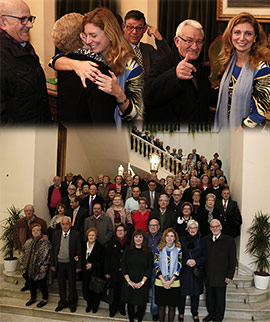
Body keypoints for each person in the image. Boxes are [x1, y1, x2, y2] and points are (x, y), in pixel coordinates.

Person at [52, 7, 144, 127]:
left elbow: (136, 116)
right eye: (86, 35)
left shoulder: (132, 67)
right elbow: (54, 61)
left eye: (93, 35)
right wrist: (77, 65)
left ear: (110, 34)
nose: (88, 41)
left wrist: (118, 93)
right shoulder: (91, 55)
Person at [144, 19, 217, 124]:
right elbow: (147, 95)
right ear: (177, 41)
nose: (194, 47)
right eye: (189, 41)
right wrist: (175, 74)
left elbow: (205, 96)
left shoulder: (198, 65)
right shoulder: (163, 62)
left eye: (199, 41)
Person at [214, 12, 270, 129]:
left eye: (248, 34)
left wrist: (241, 130)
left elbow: (260, 113)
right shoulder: (228, 63)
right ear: (230, 36)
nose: (242, 38)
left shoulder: (263, 70)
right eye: (237, 33)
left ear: (255, 38)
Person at [0, 0, 51, 124]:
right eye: (23, 19)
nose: (29, 25)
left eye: (29, 19)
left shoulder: (25, 48)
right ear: (2, 22)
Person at [203, 219, 237, 322]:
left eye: (216, 226)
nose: (215, 228)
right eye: (212, 227)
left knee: (219, 299)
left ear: (221, 227)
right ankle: (211, 314)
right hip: (208, 275)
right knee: (209, 298)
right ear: (210, 228)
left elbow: (232, 260)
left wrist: (229, 275)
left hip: (221, 276)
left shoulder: (229, 241)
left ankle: (218, 318)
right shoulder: (205, 240)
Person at [122, 10, 170, 76]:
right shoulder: (117, 50)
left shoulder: (148, 49)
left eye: (139, 28)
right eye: (130, 27)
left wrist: (158, 37)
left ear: (144, 29)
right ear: (124, 27)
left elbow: (167, 62)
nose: (134, 32)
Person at [121, 229, 153, 322]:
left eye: (140, 237)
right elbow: (123, 265)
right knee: (130, 303)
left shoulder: (148, 251)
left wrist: (142, 282)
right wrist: (129, 281)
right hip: (129, 281)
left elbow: (149, 268)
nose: (138, 239)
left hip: (142, 281)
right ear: (133, 238)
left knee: (141, 303)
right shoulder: (128, 250)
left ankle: (139, 320)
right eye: (136, 237)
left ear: (143, 238)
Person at [51, 216, 81, 313]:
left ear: (70, 224)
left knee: (72, 284)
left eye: (67, 224)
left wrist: (78, 265)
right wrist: (52, 264)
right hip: (59, 263)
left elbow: (79, 250)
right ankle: (62, 302)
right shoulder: (56, 234)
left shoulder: (76, 234)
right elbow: (53, 250)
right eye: (63, 224)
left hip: (71, 263)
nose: (65, 226)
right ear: (60, 225)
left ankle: (72, 303)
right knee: (61, 284)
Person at [178, 220, 207, 322]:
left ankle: (195, 313)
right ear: (187, 229)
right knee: (182, 293)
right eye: (191, 228)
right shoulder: (182, 239)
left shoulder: (202, 240)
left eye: (194, 228)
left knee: (195, 294)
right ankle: (181, 313)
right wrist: (186, 261)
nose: (193, 230)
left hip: (196, 270)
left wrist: (196, 261)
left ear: (197, 229)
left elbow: (205, 256)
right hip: (185, 270)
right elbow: (178, 254)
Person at [20, 223, 51, 308]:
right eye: (34, 230)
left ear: (40, 231)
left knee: (42, 284)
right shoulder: (28, 241)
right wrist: (22, 263)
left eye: (37, 230)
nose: (36, 232)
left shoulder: (45, 242)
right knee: (31, 283)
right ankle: (33, 298)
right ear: (31, 232)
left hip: (40, 268)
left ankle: (45, 299)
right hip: (29, 267)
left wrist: (45, 265)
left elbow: (49, 255)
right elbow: (23, 252)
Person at [154, 228, 182, 322]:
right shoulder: (159, 249)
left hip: (174, 282)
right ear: (164, 237)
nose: (169, 238)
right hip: (160, 281)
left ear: (175, 238)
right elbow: (156, 265)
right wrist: (163, 280)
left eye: (171, 236)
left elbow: (179, 265)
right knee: (161, 306)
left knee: (172, 306)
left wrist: (170, 281)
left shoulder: (179, 250)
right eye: (167, 236)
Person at [104, 223, 129, 317]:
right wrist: (106, 271)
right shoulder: (112, 242)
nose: (120, 232)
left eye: (121, 230)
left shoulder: (129, 243)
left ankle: (121, 308)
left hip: (125, 272)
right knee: (114, 291)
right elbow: (107, 257)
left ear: (125, 232)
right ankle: (113, 309)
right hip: (113, 272)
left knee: (123, 291)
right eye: (118, 230)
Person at [82, 227, 105, 313]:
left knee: (95, 291)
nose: (91, 237)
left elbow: (102, 261)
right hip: (85, 272)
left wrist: (92, 265)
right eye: (89, 235)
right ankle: (89, 304)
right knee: (86, 290)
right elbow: (80, 257)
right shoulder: (83, 245)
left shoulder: (100, 247)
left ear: (96, 236)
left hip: (95, 273)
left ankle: (95, 306)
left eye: (93, 235)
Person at [146, 219, 162, 321]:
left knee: (156, 290)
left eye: (155, 225)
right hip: (145, 267)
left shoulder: (163, 237)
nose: (153, 227)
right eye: (151, 225)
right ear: (148, 226)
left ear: (159, 227)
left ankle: (155, 311)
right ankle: (139, 309)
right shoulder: (144, 236)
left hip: (157, 268)